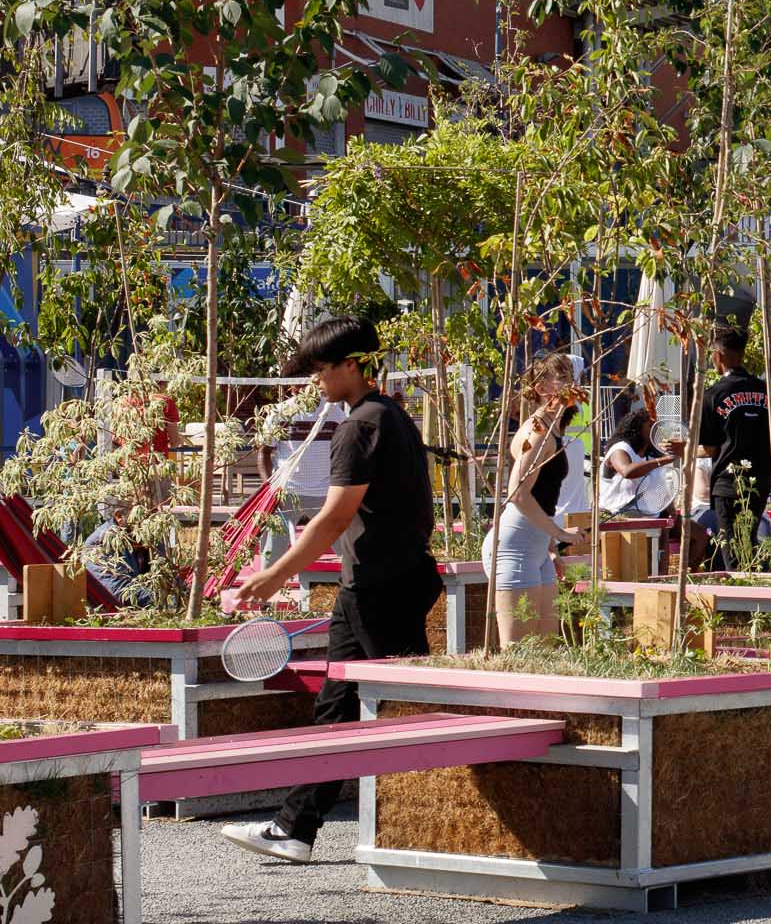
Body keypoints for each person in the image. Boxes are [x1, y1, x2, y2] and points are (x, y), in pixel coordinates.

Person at [219, 317, 438, 865]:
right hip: (380, 581)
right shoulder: (392, 415)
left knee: (409, 709)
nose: (315, 379)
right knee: (336, 708)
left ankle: (433, 826)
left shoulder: (360, 426)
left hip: (378, 588)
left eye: (321, 368)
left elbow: (335, 517)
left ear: (353, 364)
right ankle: (294, 828)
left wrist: (272, 576)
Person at [487, 354, 588, 643]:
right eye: (564, 377)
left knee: (545, 648)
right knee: (519, 651)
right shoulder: (538, 431)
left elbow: (542, 496)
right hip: (514, 548)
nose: (574, 384)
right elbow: (517, 493)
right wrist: (559, 533)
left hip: (538, 548)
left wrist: (551, 545)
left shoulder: (553, 428)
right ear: (542, 387)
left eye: (573, 377)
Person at [691, 321, 771, 567]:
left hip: (727, 483)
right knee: (748, 541)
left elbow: (710, 448)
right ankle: (754, 585)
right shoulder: (766, 390)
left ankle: (741, 589)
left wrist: (686, 451)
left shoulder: (714, 394)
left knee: (732, 548)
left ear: (717, 356)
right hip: (760, 480)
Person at [597, 383, 680, 525]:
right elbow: (627, 471)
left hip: (650, 515)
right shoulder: (620, 449)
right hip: (618, 514)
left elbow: (660, 488)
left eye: (657, 426)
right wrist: (665, 460)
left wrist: (670, 508)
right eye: (650, 426)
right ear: (636, 429)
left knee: (698, 532)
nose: (655, 429)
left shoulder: (652, 454)